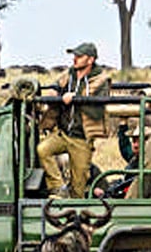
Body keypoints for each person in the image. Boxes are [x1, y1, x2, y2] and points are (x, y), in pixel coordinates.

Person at [37, 42, 110, 198]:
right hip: (64, 133)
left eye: (79, 56)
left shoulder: (101, 79)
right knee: (42, 150)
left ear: (90, 60)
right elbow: (56, 87)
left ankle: (74, 216)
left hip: (82, 138)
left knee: (78, 187)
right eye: (74, 56)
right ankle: (58, 188)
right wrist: (52, 93)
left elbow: (97, 110)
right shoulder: (69, 74)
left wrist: (75, 99)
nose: (75, 59)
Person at [90, 125, 151, 199]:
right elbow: (125, 147)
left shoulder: (147, 163)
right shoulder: (134, 160)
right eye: (134, 141)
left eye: (139, 141)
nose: (135, 145)